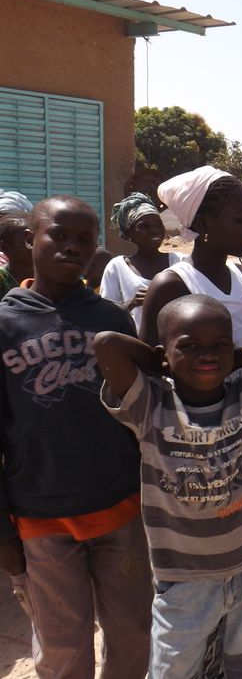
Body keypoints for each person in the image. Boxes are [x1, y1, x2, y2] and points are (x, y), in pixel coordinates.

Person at [95, 294, 242, 679]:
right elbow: (106, 344)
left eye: (219, 345)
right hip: (186, 577)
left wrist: (238, 357)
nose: (207, 355)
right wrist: (161, 362)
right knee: (175, 671)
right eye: (191, 346)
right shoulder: (151, 404)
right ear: (166, 353)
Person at [0, 196, 152, 679]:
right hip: (41, 516)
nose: (72, 247)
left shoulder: (111, 319)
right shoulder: (4, 323)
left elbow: (141, 412)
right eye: (58, 235)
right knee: (64, 647)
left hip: (120, 508)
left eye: (85, 239)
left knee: (131, 632)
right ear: (29, 239)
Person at [141, 166, 242, 348]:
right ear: (203, 224)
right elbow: (149, 359)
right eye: (241, 219)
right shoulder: (171, 284)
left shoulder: (241, 274)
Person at [101, 193, 184, 330]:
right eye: (144, 226)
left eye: (158, 224)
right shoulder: (117, 267)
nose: (154, 230)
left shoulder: (179, 261)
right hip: (136, 344)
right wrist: (132, 303)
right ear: (129, 234)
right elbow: (106, 315)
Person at [0, 215, 32, 297]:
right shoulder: (2, 279)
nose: (34, 245)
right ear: (5, 248)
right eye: (28, 241)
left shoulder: (51, 276)